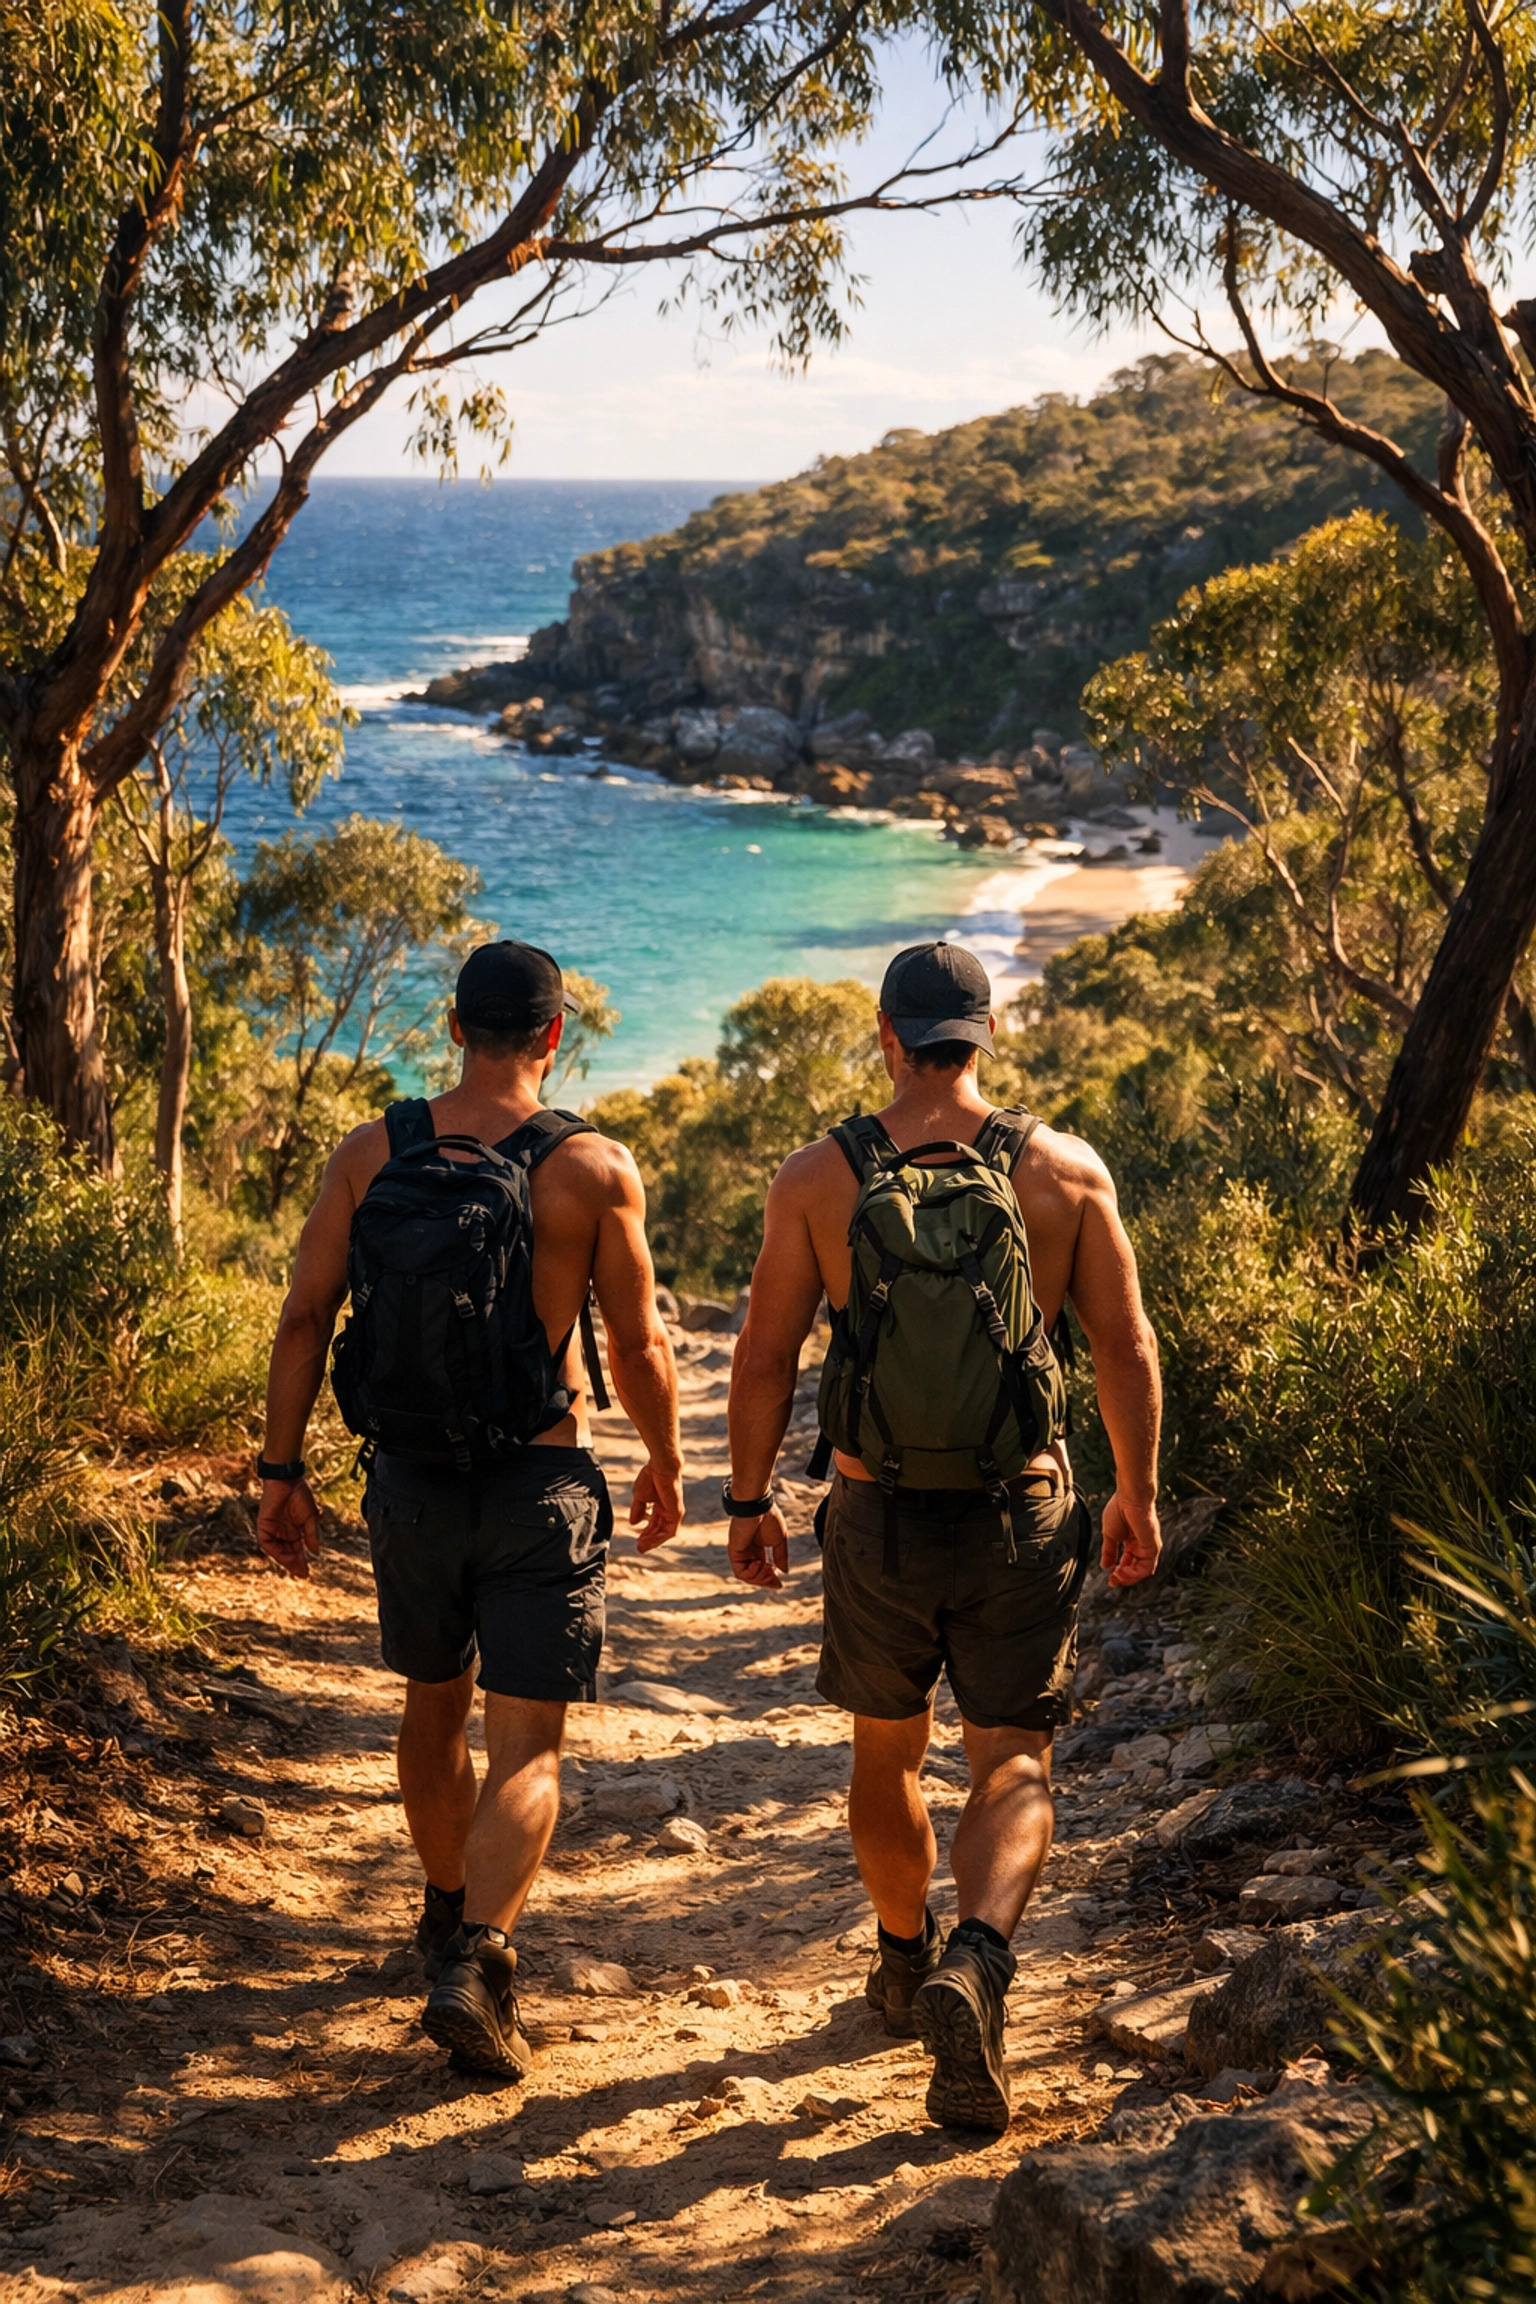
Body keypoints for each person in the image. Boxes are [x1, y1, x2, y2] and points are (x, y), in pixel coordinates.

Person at [724, 941, 1160, 2131]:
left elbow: (764, 1357)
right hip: (1022, 1508)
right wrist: (1138, 1492)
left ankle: (905, 1952)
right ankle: (981, 1960)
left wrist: (748, 1499)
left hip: (876, 1515)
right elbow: (1123, 1348)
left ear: (886, 1034)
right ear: (983, 1036)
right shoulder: (1064, 1172)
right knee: (1011, 1761)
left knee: (887, 1756)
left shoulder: (818, 1178)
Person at [255, 939, 685, 2078]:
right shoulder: (590, 1169)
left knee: (432, 1709)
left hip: (410, 1481)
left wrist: (280, 1470)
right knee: (528, 1743)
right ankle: (483, 1960)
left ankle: (444, 1910)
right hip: (540, 1483)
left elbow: (304, 1321)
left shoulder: (371, 1152)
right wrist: (668, 1461)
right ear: (554, 1035)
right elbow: (636, 1343)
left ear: (455, 1027)